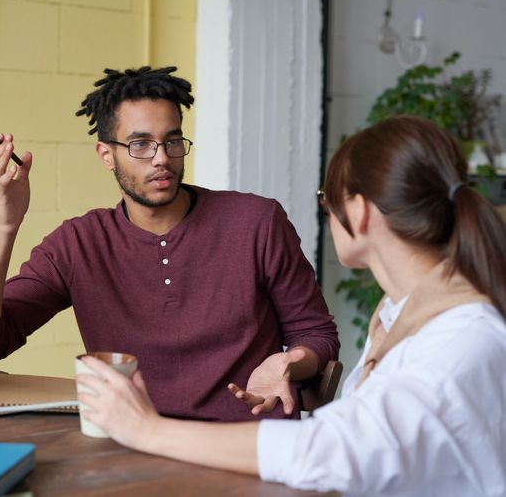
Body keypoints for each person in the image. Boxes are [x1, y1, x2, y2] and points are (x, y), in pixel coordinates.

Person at [75, 116, 506, 496]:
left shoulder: (462, 338)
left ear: (358, 212)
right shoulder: (401, 316)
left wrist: (147, 429)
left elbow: (333, 450)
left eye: (326, 198)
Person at [0, 66, 339, 422]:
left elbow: (318, 335)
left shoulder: (257, 222)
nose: (161, 159)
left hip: (245, 443)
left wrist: (287, 364)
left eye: (172, 142)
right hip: (134, 444)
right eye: (140, 145)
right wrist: (5, 227)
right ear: (107, 155)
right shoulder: (78, 243)